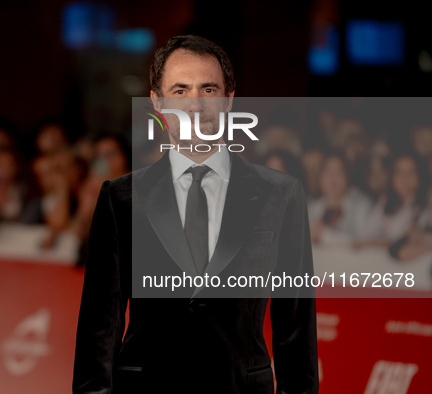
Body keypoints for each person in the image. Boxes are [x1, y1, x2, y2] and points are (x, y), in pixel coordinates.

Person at [73, 35, 318, 393]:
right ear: (157, 102)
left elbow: (295, 330)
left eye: (208, 89)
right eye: (180, 90)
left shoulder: (280, 195)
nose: (195, 105)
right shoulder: (121, 198)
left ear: (229, 99)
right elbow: (99, 329)